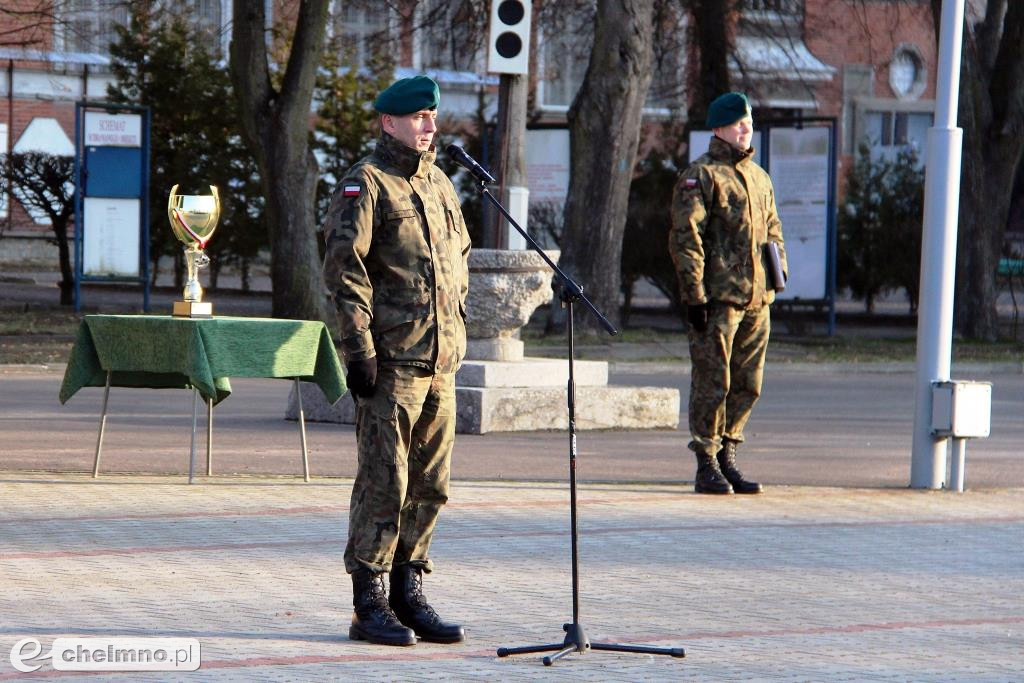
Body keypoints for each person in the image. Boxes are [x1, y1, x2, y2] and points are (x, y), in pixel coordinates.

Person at [322, 75, 470, 646]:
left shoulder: (438, 185)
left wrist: (456, 330)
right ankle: (370, 603)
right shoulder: (368, 185)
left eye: (433, 116)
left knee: (431, 484)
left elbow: (456, 262)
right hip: (391, 363)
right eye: (418, 117)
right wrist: (358, 350)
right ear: (390, 122)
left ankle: (410, 593)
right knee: (385, 481)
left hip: (440, 362)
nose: (430, 126)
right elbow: (344, 273)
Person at [669, 92, 787, 495]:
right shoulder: (700, 175)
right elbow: (687, 238)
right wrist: (695, 296)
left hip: (757, 299)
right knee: (712, 381)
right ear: (718, 128)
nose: (745, 129)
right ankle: (706, 459)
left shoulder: (759, 177)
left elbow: (773, 230)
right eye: (738, 123)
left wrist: (777, 275)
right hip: (717, 301)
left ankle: (727, 454)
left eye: (749, 122)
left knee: (748, 382)